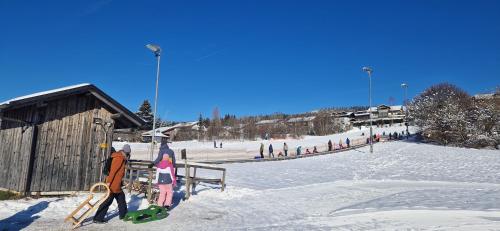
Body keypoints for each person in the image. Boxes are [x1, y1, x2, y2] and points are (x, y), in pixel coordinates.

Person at [94, 145, 130, 223]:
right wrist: (108, 182)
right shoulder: (119, 158)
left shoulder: (121, 157)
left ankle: (124, 214)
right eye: (127, 154)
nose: (128, 155)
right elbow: (113, 172)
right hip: (113, 184)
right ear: (125, 152)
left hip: (117, 184)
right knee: (107, 201)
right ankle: (98, 218)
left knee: (121, 198)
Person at [153, 139, 176, 210]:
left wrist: (153, 163)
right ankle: (167, 205)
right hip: (169, 175)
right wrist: (173, 166)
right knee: (169, 192)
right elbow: (174, 161)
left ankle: (159, 205)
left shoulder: (161, 151)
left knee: (162, 193)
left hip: (160, 178)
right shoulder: (171, 151)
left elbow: (158, 159)